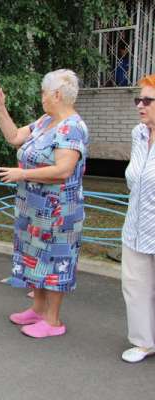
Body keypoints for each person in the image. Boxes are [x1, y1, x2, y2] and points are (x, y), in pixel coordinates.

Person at [0, 69, 89, 338]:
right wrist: (0, 108)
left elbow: (63, 170)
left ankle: (53, 321)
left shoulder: (72, 127)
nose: (42, 97)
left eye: (44, 92)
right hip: (34, 209)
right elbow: (14, 138)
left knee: (55, 259)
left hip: (58, 211)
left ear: (57, 95)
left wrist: (22, 174)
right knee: (36, 257)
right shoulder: (46, 121)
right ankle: (38, 309)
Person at [120, 74, 155, 363]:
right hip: (135, 225)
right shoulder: (138, 133)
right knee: (135, 286)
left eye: (147, 100)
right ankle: (144, 342)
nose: (140, 106)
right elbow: (135, 177)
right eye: (138, 100)